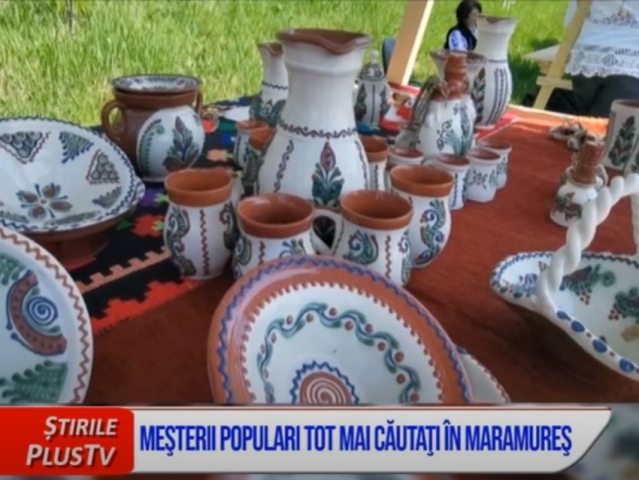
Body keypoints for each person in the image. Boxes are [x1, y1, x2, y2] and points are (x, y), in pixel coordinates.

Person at [565, 0, 639, 117]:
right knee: (610, 126)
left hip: (585, 60)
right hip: (631, 65)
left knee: (590, 124)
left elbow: (573, 20)